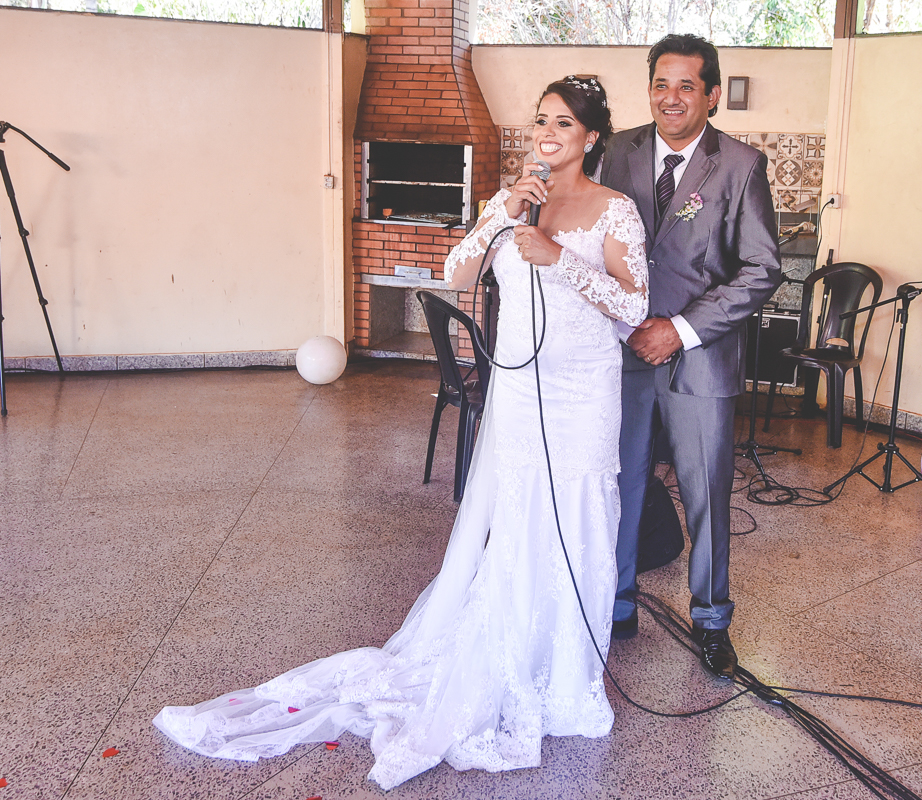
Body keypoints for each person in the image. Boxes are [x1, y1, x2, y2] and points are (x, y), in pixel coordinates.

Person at [153, 77, 648, 790]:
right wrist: (500, 219)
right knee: (515, 520)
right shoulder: (513, 202)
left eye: (564, 123)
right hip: (517, 392)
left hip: (583, 396)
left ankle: (566, 668)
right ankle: (507, 651)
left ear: (592, 137)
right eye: (540, 120)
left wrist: (562, 260)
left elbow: (635, 308)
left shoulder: (616, 212)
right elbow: (457, 271)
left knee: (577, 517)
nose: (548, 133)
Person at [600, 34, 782, 680]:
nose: (669, 98)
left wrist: (678, 330)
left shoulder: (740, 165)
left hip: (699, 359)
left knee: (705, 493)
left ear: (710, 95)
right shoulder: (615, 151)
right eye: (660, 83)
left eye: (685, 86)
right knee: (619, 484)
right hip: (623, 356)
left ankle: (711, 621)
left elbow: (763, 270)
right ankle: (616, 604)